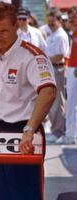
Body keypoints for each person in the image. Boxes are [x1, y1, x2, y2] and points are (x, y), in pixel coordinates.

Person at [0, 2, 56, 200]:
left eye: (4, 31)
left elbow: (48, 92)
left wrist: (29, 129)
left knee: (25, 194)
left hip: (24, 132)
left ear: (17, 25)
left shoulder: (32, 56)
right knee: (0, 195)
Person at [44, 8, 70, 144]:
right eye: (49, 22)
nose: (50, 24)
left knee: (57, 102)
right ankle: (56, 129)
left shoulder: (61, 35)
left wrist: (45, 61)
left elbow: (61, 55)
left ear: (59, 21)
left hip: (57, 69)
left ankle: (58, 131)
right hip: (52, 69)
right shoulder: (52, 34)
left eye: (53, 22)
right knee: (53, 101)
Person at [64, 6, 77, 144]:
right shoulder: (73, 33)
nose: (71, 21)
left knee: (72, 103)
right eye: (70, 19)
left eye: (74, 18)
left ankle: (71, 134)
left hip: (75, 69)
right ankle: (71, 134)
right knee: (71, 103)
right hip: (72, 69)